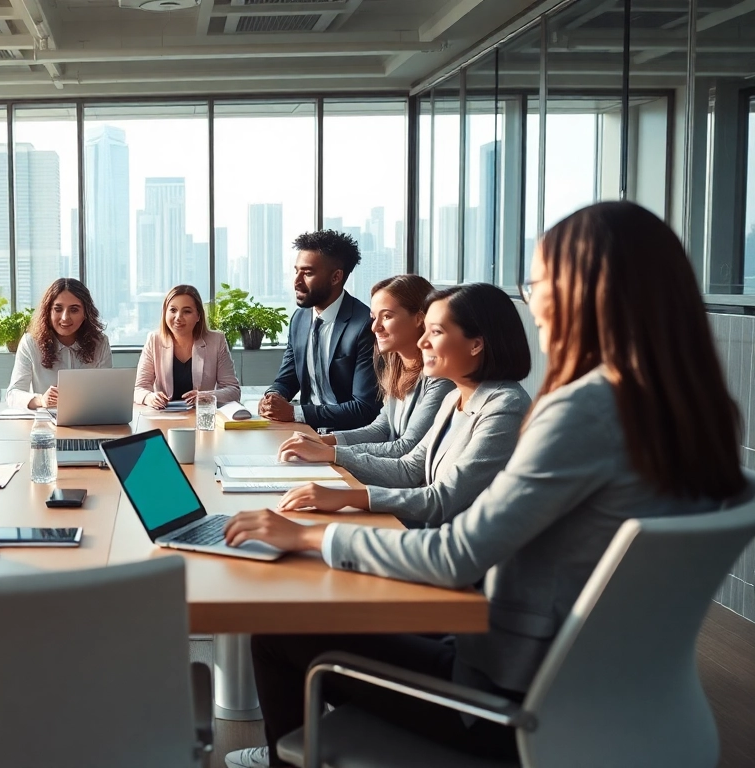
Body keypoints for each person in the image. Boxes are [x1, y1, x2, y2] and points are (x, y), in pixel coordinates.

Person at [221, 201, 748, 768]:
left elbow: (456, 554)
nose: (532, 302)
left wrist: (306, 536)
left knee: (277, 628)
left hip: (503, 703)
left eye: (538, 283)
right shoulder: (699, 414)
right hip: (626, 704)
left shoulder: (584, 410)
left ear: (586, 293)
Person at [274, 283, 530, 529]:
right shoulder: (455, 398)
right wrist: (330, 455)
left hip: (457, 549)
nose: (422, 342)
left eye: (436, 332)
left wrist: (346, 494)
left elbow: (443, 499)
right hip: (431, 535)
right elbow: (409, 467)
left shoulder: (505, 407)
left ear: (476, 344)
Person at [277, 274, 454, 461]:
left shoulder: (439, 379)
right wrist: (320, 441)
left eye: (387, 316)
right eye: (374, 317)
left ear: (419, 318)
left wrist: (330, 452)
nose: (375, 327)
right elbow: (381, 429)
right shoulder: (395, 368)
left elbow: (406, 448)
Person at [260, 229, 380, 431]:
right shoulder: (299, 319)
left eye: (307, 273)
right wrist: (273, 397)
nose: (297, 282)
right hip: (304, 429)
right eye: (296, 271)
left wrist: (295, 413)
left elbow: (364, 408)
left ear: (336, 277)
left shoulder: (364, 325)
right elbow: (287, 378)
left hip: (345, 435)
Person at [6, 278, 113, 410]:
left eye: (74, 310)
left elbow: (107, 393)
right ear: (48, 312)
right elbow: (13, 395)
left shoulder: (100, 343)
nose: (65, 317)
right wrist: (41, 400)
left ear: (86, 313)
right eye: (58, 309)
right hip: (46, 420)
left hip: (89, 418)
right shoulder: (30, 343)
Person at [133, 284, 241, 408]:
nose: (178, 317)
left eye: (187, 311)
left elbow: (233, 390)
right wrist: (149, 397)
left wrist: (205, 396)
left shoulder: (216, 341)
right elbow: (139, 389)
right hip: (164, 414)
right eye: (173, 310)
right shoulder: (154, 340)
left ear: (198, 316)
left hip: (201, 414)